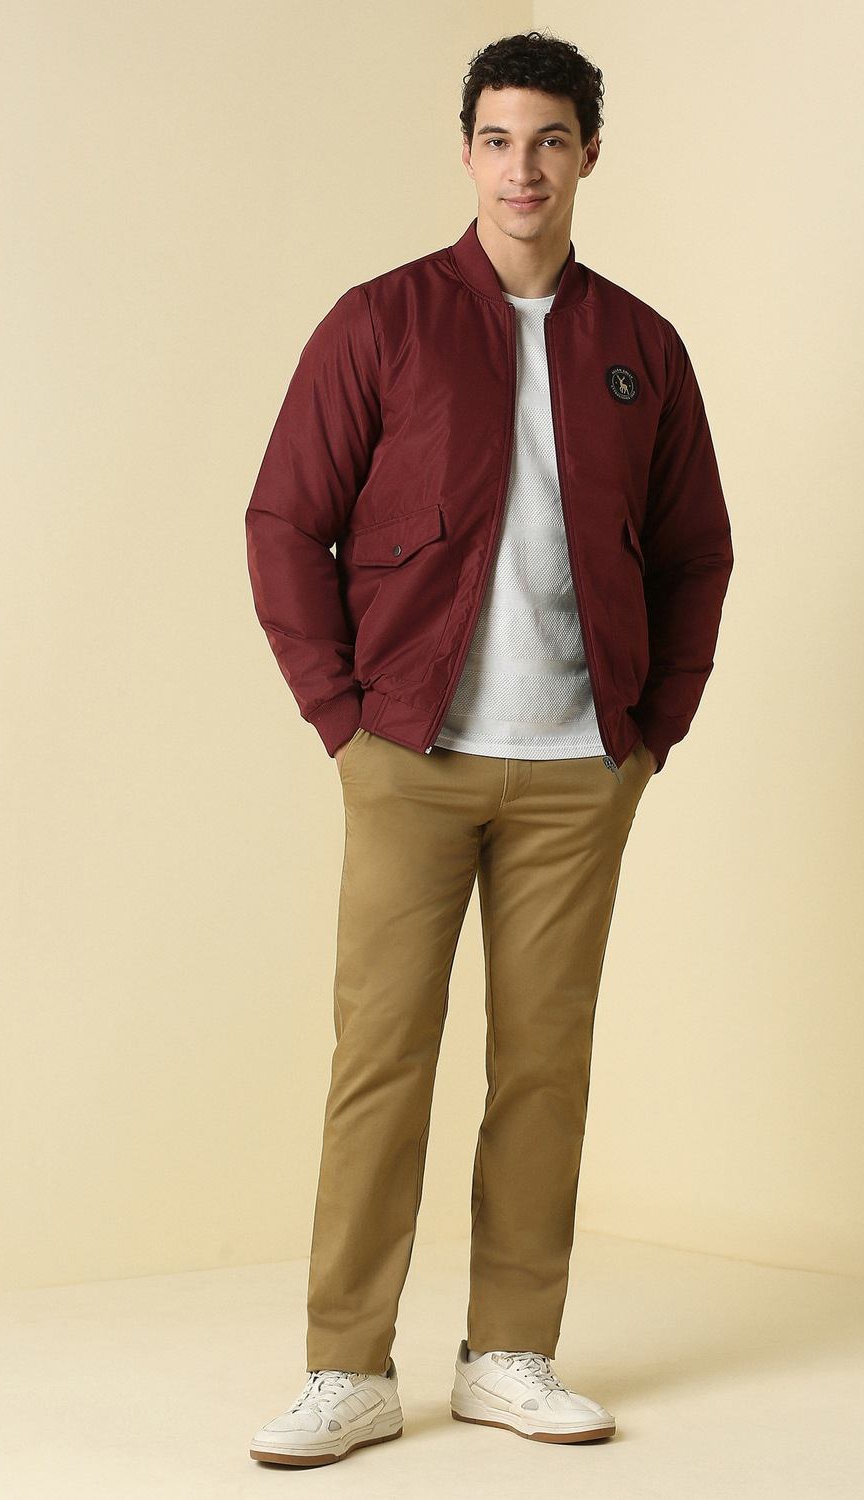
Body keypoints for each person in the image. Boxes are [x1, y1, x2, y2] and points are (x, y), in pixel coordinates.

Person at [245, 29, 734, 1468]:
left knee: (544, 1067)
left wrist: (653, 730)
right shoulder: (381, 322)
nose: (524, 169)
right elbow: (286, 521)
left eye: (551, 141)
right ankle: (347, 1369)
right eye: (500, 140)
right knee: (381, 1060)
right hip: (409, 754)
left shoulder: (641, 347)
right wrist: (341, 718)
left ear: (590, 156)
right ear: (467, 152)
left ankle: (510, 1352)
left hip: (582, 769)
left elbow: (697, 551)